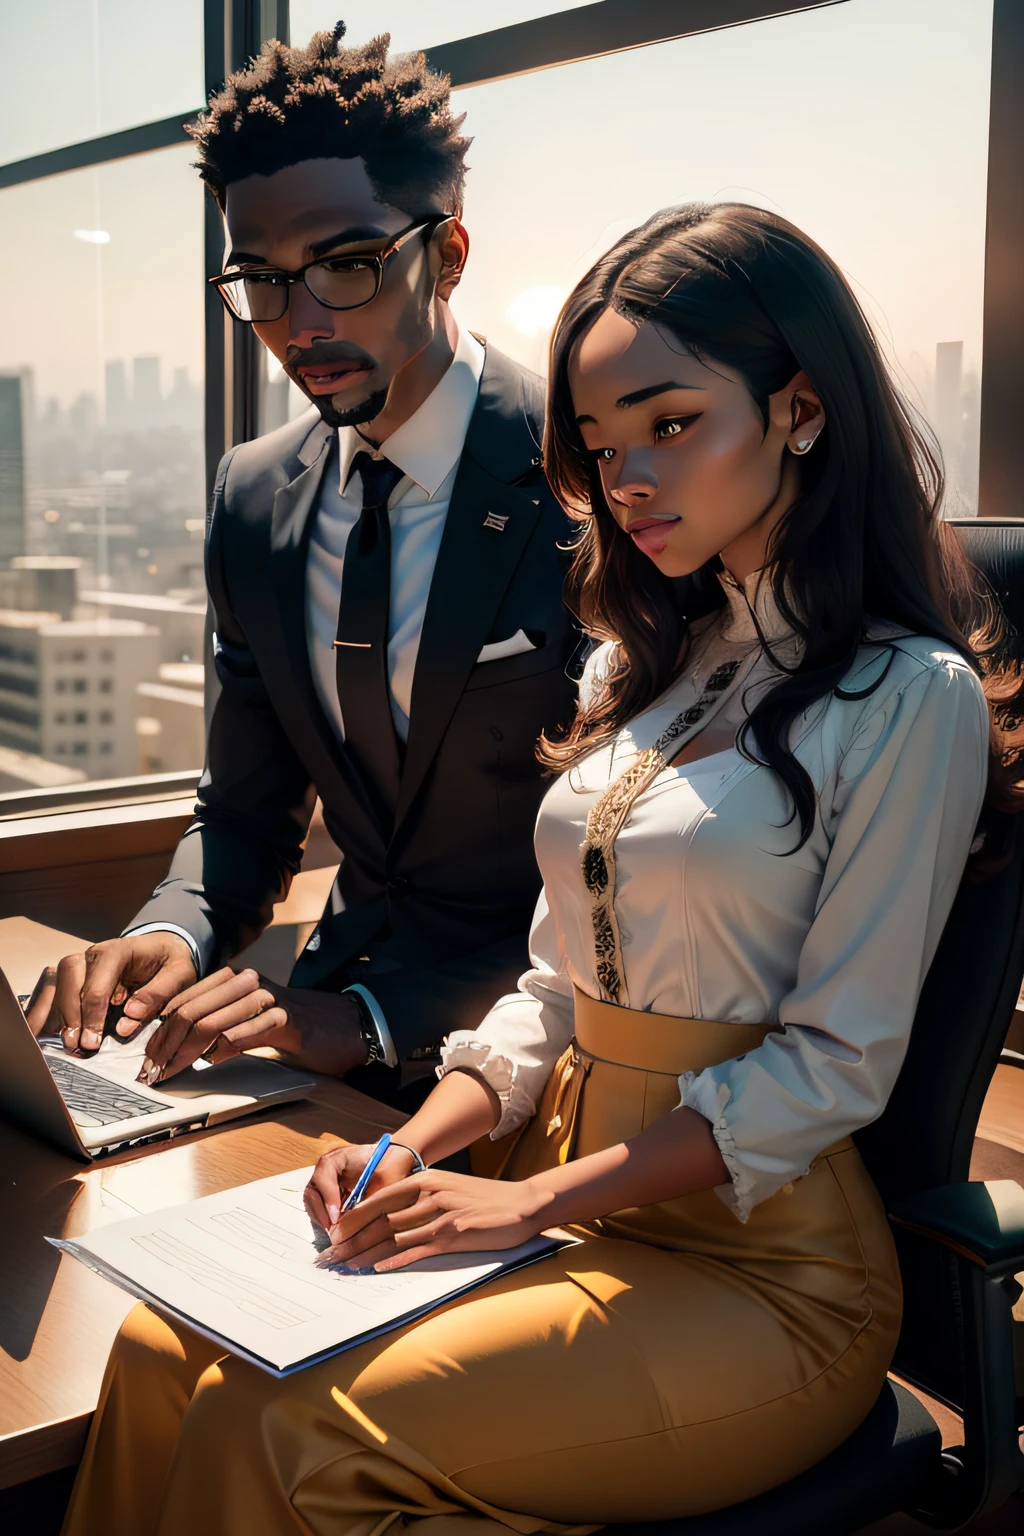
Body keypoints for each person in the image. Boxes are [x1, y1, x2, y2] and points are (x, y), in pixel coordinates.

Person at [62, 200, 1014, 1536]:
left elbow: (836, 1065)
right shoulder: (642, 664)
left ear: (800, 408)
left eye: (672, 423)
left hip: (766, 1275)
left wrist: (522, 1203)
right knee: (164, 1357)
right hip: (562, 1199)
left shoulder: (909, 696)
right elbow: (552, 988)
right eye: (603, 444)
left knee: (282, 1435)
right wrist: (417, 1145)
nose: (628, 480)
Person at [27, 25, 577, 1106]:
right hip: (316, 1042)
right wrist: (171, 934)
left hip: (532, 1070)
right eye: (263, 280)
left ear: (449, 256)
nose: (301, 322)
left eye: (346, 265)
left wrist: (374, 1022)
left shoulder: (591, 473)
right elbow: (244, 811)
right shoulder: (252, 496)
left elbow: (644, 880)